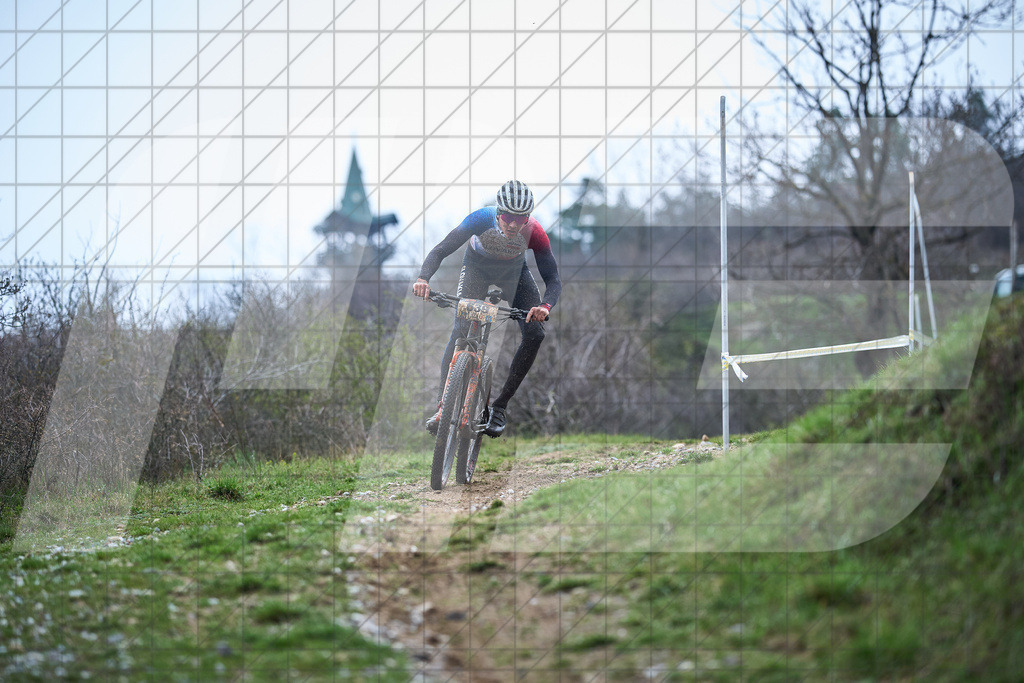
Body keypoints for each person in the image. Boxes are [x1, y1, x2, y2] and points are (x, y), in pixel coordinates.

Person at [413, 180, 561, 437]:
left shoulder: (534, 231)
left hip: (514, 275)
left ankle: (500, 407)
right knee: (460, 331)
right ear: (498, 212)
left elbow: (553, 279)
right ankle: (442, 406)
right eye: (507, 217)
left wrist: (545, 307)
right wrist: (423, 278)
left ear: (528, 217)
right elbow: (441, 250)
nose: (513, 224)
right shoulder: (481, 218)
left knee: (535, 334)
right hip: (476, 269)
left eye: (521, 218)